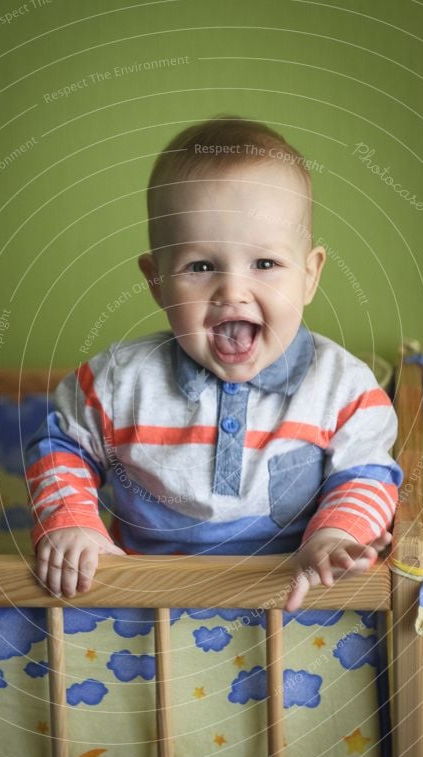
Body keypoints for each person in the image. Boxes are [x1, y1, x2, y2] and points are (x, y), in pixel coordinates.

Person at [24, 116, 402, 610]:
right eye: (200, 266)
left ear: (309, 276)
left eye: (265, 264)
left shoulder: (343, 388)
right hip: (139, 617)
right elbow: (59, 446)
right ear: (157, 279)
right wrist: (73, 522)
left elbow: (367, 473)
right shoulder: (117, 381)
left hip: (292, 614)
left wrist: (333, 536)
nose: (233, 291)